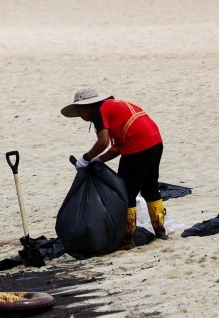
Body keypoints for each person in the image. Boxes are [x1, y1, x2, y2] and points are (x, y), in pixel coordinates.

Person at [61, 87, 165, 248]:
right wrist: (98, 160)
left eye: (79, 109)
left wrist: (85, 158)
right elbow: (117, 147)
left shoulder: (98, 112)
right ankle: (160, 231)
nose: (79, 114)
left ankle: (128, 238)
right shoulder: (113, 107)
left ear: (86, 106)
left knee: (127, 193)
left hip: (137, 146)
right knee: (150, 188)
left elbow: (103, 142)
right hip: (155, 142)